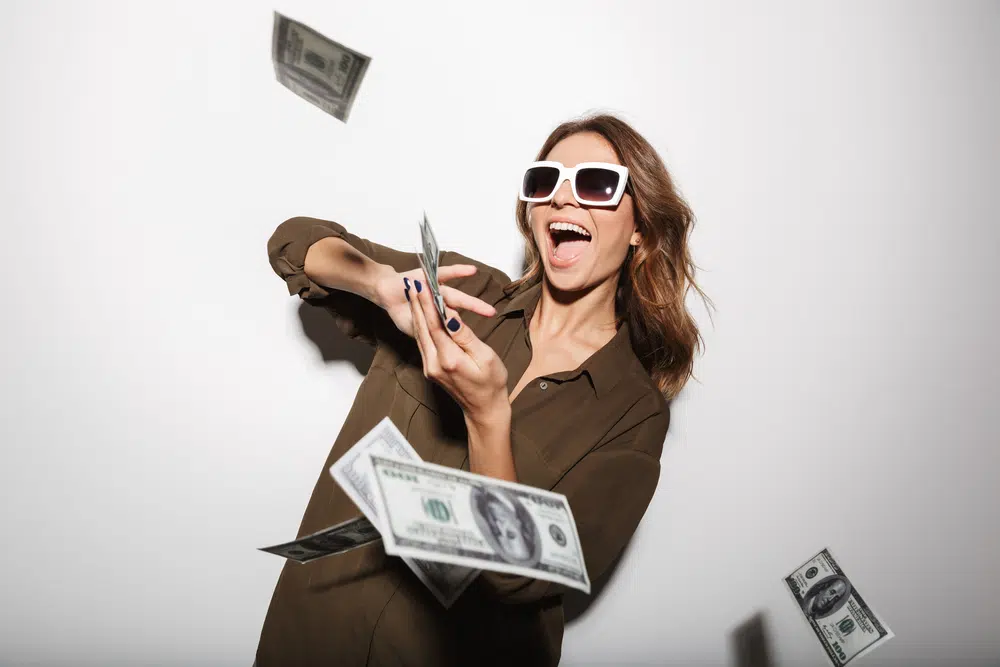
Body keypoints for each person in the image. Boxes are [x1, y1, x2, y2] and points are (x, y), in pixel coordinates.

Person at [256, 112, 709, 667]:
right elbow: (296, 242)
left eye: (595, 183)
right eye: (545, 182)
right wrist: (378, 283)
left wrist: (488, 414)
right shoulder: (460, 291)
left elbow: (523, 577)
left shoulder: (633, 414)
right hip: (311, 639)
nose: (563, 200)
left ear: (640, 227)